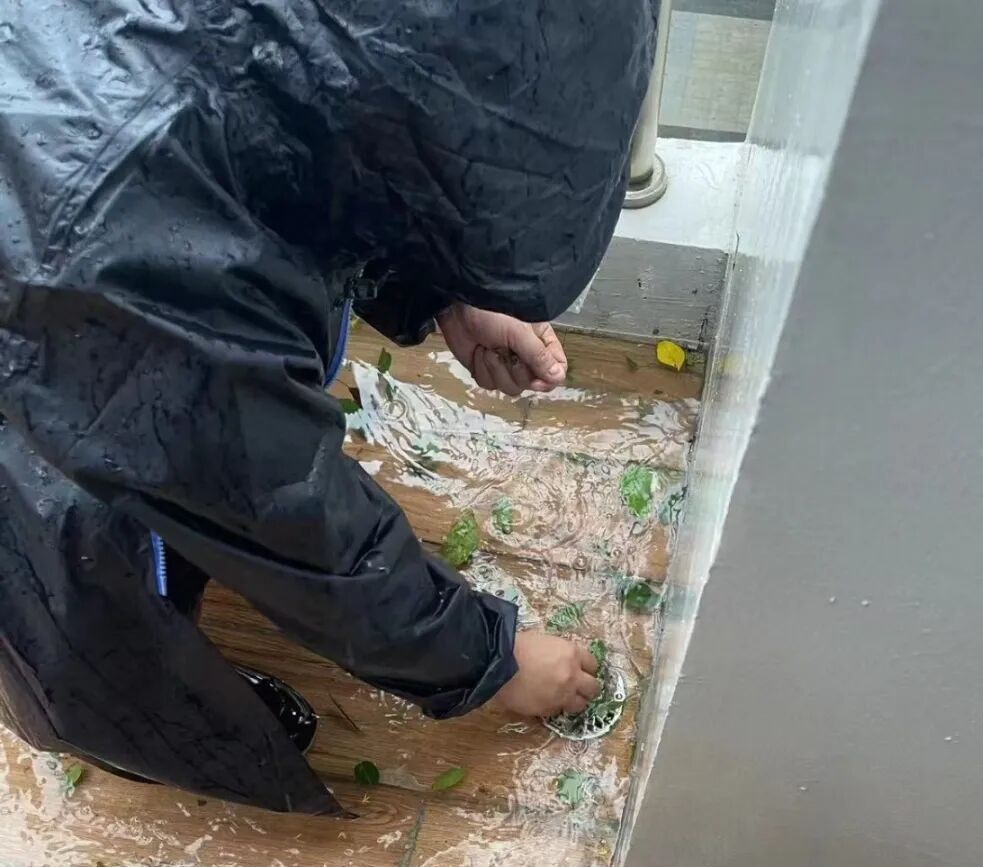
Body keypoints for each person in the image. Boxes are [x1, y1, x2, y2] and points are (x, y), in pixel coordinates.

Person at [0, 0, 656, 813]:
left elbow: (313, 140)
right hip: (56, 270)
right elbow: (284, 511)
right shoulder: (129, 257)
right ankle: (141, 712)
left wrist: (442, 284)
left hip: (79, 221)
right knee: (66, 582)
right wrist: (492, 658)